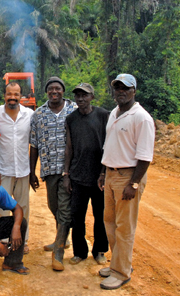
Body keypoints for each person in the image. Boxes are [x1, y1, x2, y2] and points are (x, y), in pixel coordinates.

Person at [98, 74, 155, 290]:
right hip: (111, 174)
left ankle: (121, 272)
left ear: (134, 91)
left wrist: (134, 184)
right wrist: (104, 172)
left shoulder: (141, 118)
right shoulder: (114, 113)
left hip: (128, 177)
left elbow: (145, 156)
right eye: (117, 87)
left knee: (125, 228)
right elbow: (110, 146)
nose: (120, 91)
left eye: (125, 88)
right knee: (110, 222)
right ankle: (118, 265)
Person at [29, 76, 77, 271]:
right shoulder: (38, 114)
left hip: (69, 169)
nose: (54, 92)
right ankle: (62, 237)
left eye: (58, 88)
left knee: (64, 209)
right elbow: (34, 144)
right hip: (49, 168)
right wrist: (32, 171)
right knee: (53, 205)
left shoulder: (73, 110)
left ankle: (59, 252)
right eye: (51, 89)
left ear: (63, 91)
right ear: (46, 92)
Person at [63, 83, 109, 266]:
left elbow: (109, 144)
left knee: (101, 216)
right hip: (78, 176)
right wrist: (66, 174)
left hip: (99, 178)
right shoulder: (71, 119)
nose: (80, 99)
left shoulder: (103, 116)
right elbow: (69, 148)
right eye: (77, 95)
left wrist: (104, 172)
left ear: (92, 97)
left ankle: (99, 251)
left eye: (84, 95)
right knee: (77, 217)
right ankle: (79, 252)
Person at [0, 82, 34, 254]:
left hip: (23, 170)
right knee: (1, 209)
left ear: (21, 96)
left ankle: (23, 240)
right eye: (9, 94)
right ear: (4, 96)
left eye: (16, 94)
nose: (13, 98)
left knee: (23, 207)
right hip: (3, 171)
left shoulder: (29, 115)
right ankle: (2, 241)